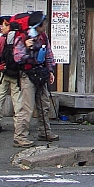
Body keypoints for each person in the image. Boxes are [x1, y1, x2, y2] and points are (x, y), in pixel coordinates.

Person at [12, 11, 58, 147]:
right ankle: (20, 137)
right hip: (28, 74)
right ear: (38, 25)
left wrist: (50, 70)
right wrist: (28, 48)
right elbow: (17, 57)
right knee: (27, 108)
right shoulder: (22, 38)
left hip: (41, 73)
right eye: (44, 24)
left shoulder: (43, 37)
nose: (45, 26)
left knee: (44, 105)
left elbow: (48, 54)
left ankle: (44, 132)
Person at [0, 15, 20, 134]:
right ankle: (18, 126)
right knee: (17, 100)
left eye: (4, 25)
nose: (1, 27)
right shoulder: (19, 39)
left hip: (2, 73)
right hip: (16, 74)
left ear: (9, 26)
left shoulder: (0, 40)